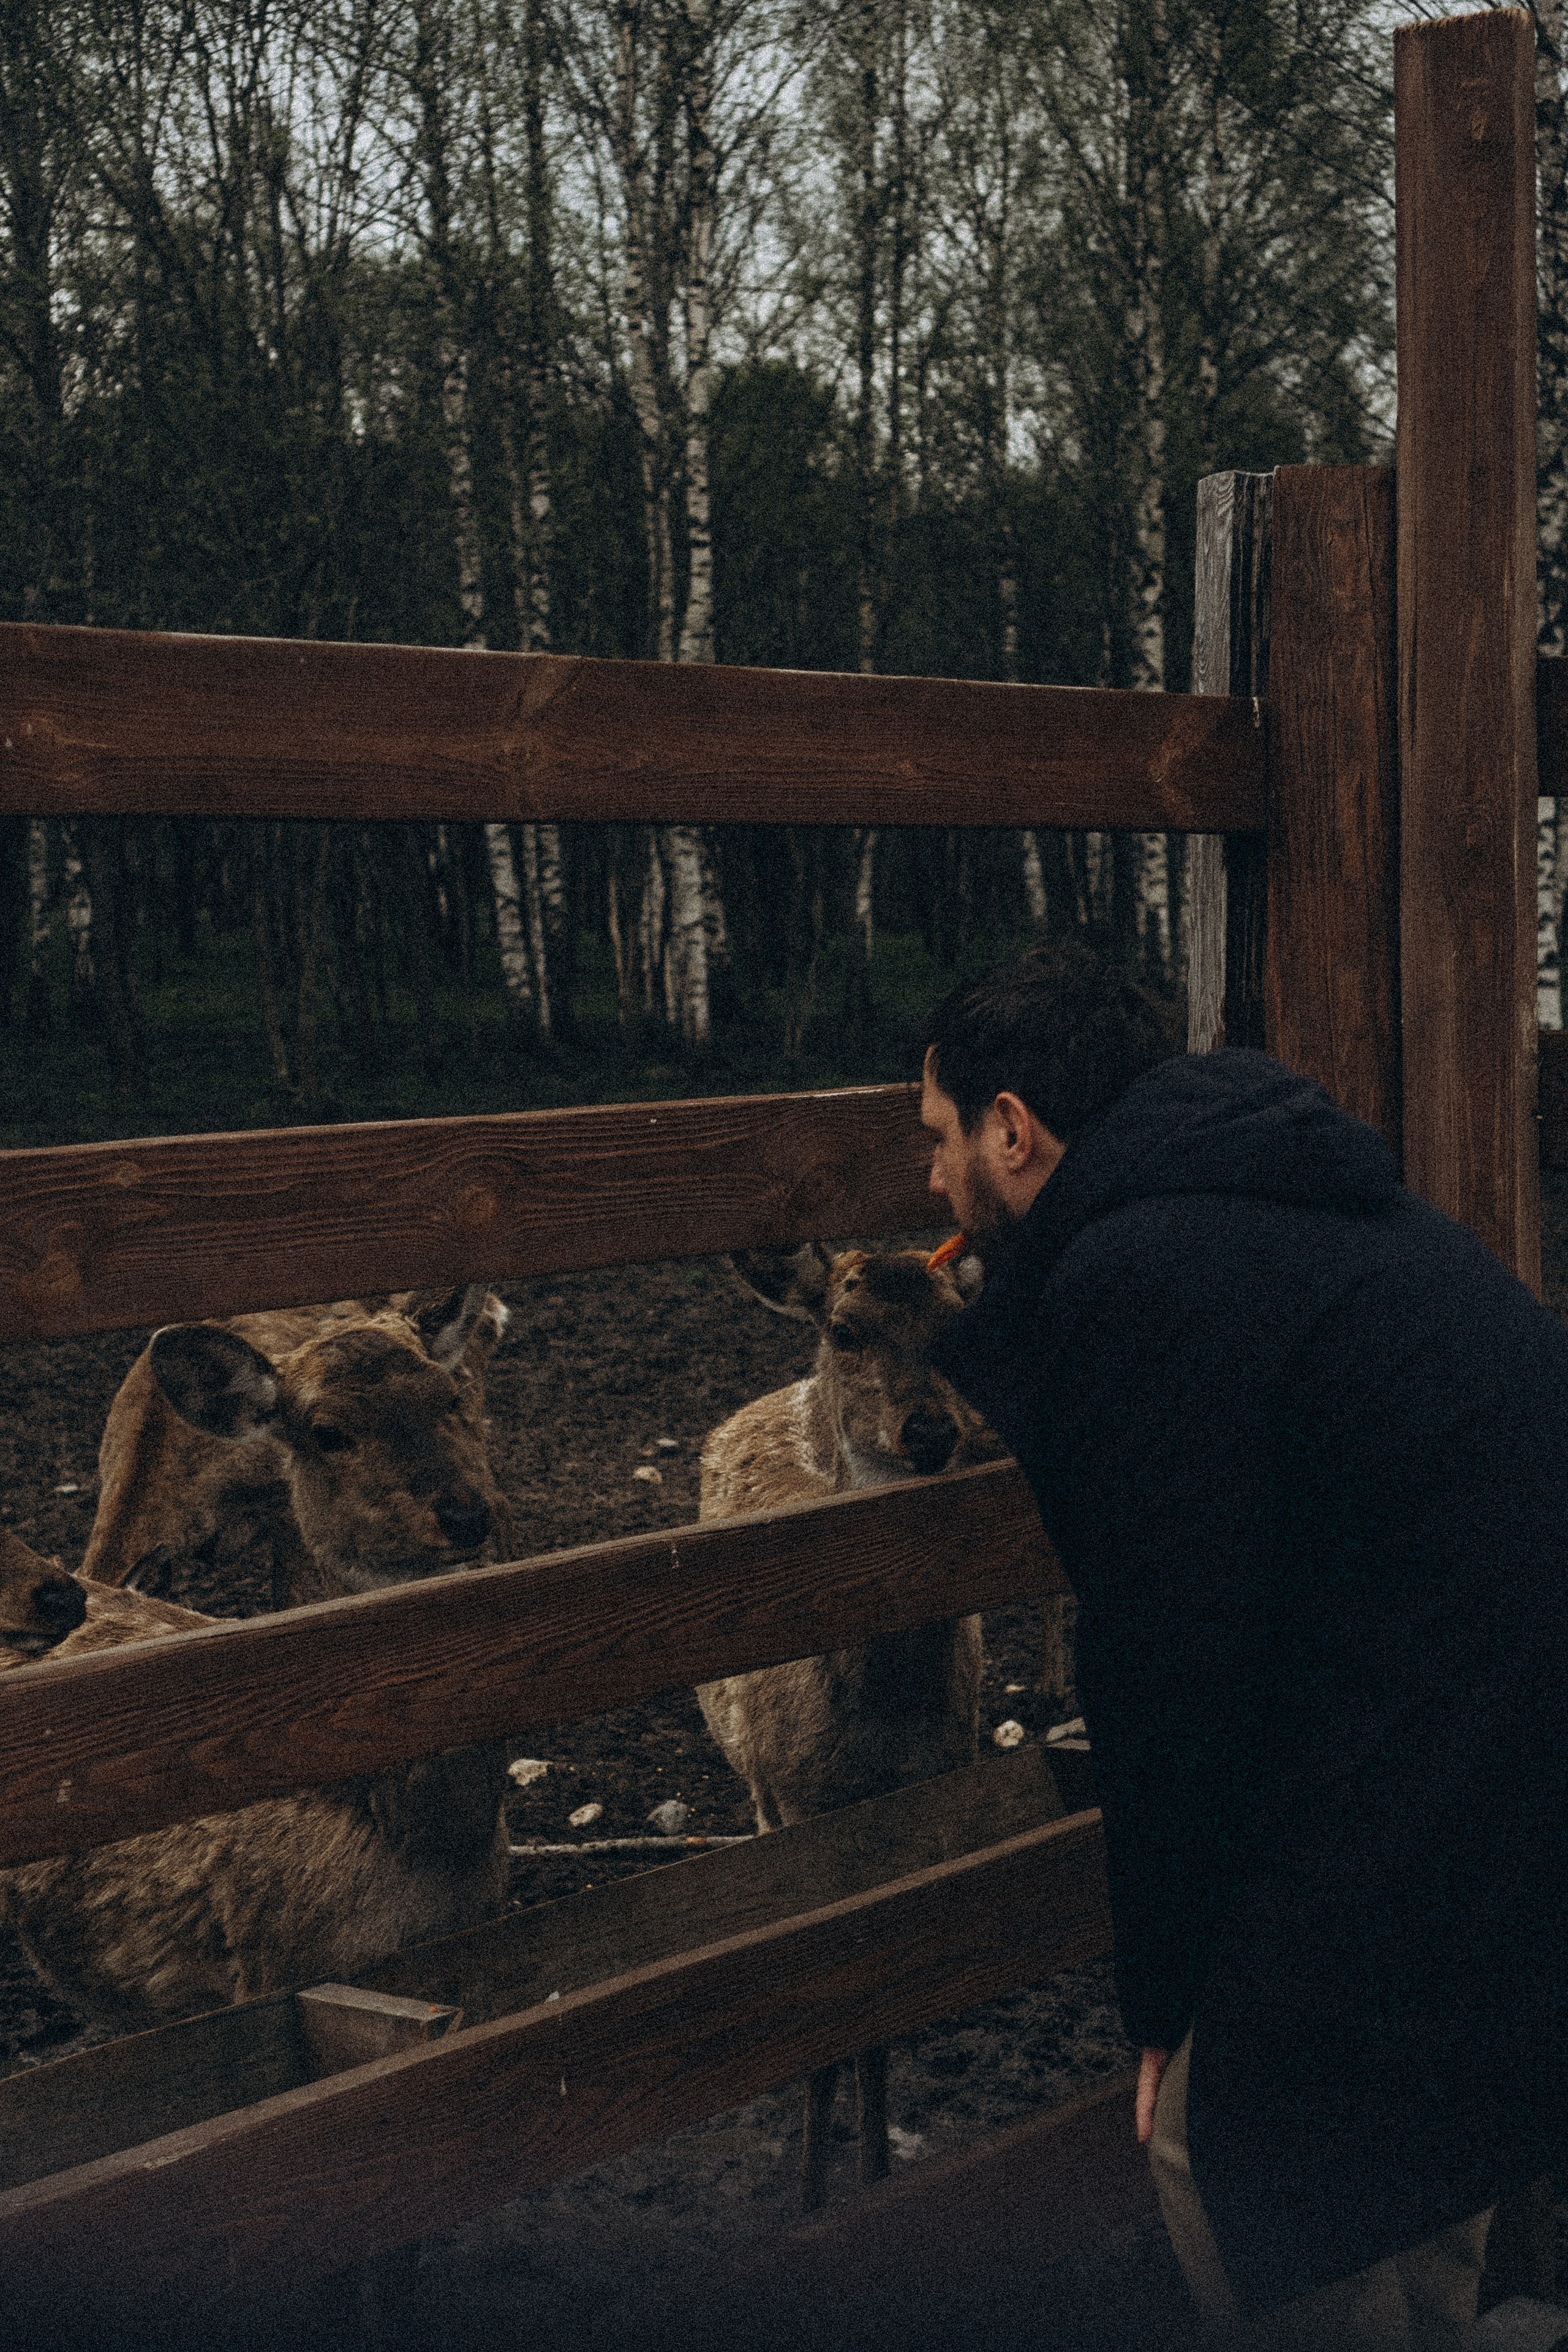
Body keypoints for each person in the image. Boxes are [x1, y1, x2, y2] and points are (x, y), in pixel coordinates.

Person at [918, 939, 1568, 2351]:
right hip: (1508, 1743)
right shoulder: (1292, 1198)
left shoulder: (1140, 1272)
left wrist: (1162, 2009)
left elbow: (1167, 1669)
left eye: (937, 1136)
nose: (930, 1180)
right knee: (1419, 2140)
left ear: (1011, 1129)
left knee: (1216, 2152)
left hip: (1439, 1739)